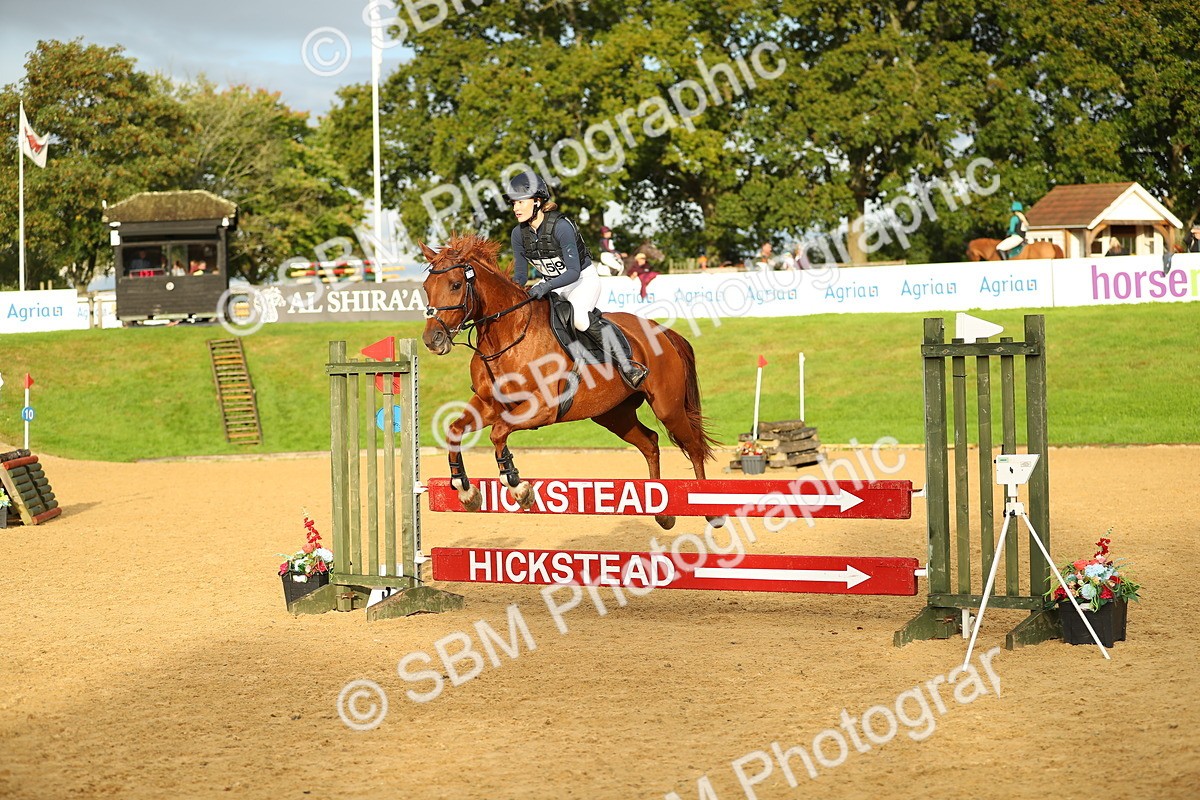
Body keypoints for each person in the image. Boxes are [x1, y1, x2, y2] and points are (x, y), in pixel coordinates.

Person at [505, 172, 647, 389]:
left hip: (581, 281)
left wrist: (544, 286)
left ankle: (628, 364)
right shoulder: (518, 234)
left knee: (580, 318)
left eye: (520, 202)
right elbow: (521, 276)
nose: (516, 208)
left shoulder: (561, 227)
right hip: (553, 287)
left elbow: (572, 272)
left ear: (537, 201)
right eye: (514, 203)